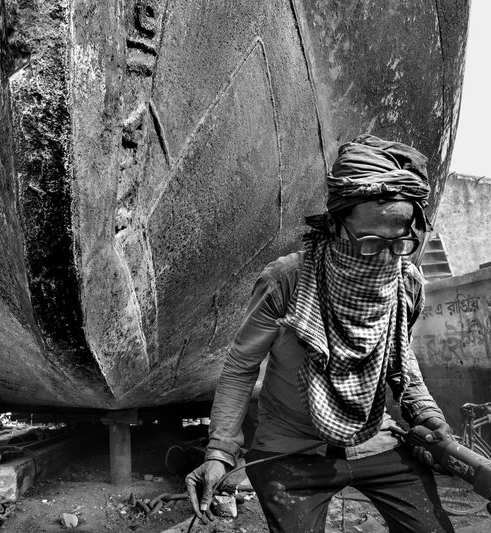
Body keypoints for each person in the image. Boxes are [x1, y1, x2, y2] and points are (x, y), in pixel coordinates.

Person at [187, 135, 454, 532]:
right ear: (334, 224)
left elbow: (400, 355)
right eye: (368, 241)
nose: (383, 256)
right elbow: (241, 366)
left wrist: (424, 410)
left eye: (398, 242)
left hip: (375, 439)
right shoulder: (287, 282)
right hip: (288, 450)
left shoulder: (407, 282)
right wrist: (221, 450)